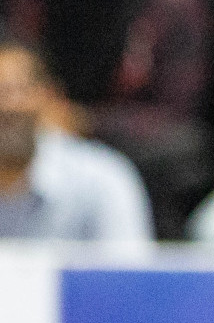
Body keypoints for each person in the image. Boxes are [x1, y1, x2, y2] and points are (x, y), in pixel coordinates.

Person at [6, 0, 212, 238]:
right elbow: (17, 78)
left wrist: (83, 122)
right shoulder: (33, 0)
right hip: (37, 154)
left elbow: (179, 119)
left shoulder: (171, 4)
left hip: (137, 158)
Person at [0, 41, 152, 242]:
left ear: (49, 97)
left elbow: (127, 271)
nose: (8, 106)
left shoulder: (102, 179)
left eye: (19, 90)